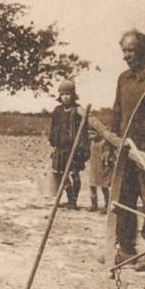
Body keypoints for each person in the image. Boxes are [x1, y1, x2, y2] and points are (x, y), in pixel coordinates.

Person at [111, 29, 145, 271]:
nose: (126, 55)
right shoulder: (123, 78)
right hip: (125, 149)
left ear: (143, 49)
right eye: (123, 50)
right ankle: (125, 249)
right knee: (124, 199)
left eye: (130, 50)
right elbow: (118, 112)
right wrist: (113, 144)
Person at [48, 80, 88, 210]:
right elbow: (53, 128)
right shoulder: (57, 111)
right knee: (59, 173)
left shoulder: (78, 111)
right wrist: (53, 143)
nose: (65, 96)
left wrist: (83, 149)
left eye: (68, 93)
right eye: (63, 94)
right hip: (61, 148)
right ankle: (69, 197)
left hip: (74, 149)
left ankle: (74, 201)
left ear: (73, 95)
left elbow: (84, 131)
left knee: (74, 174)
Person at [87, 129, 113, 214]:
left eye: (93, 134)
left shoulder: (104, 143)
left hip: (102, 168)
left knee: (104, 187)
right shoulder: (92, 142)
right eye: (89, 134)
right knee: (92, 186)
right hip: (93, 167)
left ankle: (107, 205)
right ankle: (94, 204)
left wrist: (106, 160)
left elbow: (107, 155)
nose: (90, 136)